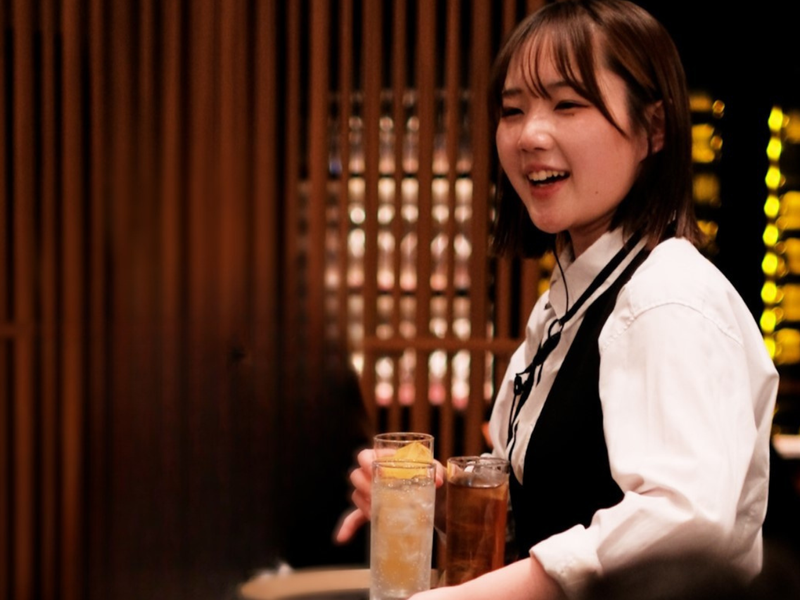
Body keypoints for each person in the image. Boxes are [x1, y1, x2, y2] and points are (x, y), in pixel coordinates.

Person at [336, 1, 779, 599]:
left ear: (654, 129)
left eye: (568, 105)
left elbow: (683, 525)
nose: (530, 135)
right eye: (513, 110)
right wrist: (437, 505)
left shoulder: (666, 297)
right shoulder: (565, 305)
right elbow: (549, 521)